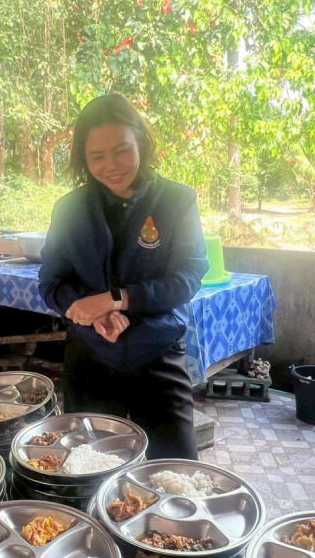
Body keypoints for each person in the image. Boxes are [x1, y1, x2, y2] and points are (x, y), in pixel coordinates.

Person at [38, 93, 209, 460]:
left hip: (158, 355)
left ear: (141, 142)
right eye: (96, 156)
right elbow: (51, 282)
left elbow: (188, 277)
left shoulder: (177, 201)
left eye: (121, 151)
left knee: (176, 470)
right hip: (89, 356)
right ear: (83, 157)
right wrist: (89, 313)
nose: (111, 166)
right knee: (89, 469)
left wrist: (116, 299)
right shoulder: (69, 209)